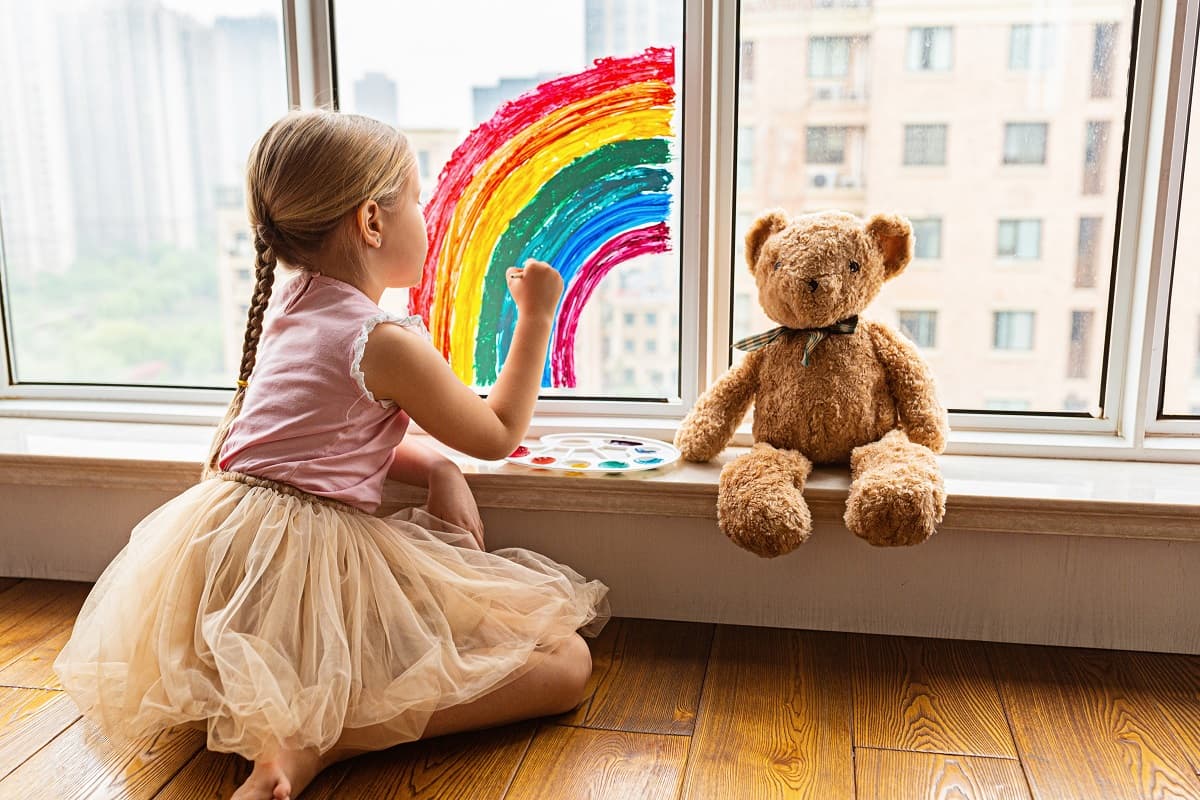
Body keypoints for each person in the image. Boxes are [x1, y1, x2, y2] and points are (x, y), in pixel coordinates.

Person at [53, 110, 609, 800]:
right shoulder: (385, 341)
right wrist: (536, 317)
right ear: (372, 222)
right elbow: (496, 433)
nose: (429, 219)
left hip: (224, 570)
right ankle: (324, 742)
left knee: (349, 666)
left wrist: (434, 466)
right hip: (307, 566)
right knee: (566, 663)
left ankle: (285, 731)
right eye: (421, 200)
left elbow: (317, 440)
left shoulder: (292, 307)